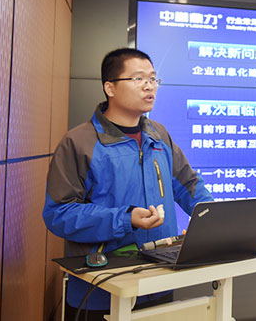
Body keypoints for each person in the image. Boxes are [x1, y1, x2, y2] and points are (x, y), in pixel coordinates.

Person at [43, 48, 213, 319]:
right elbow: (59, 214)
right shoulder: (79, 142)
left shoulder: (159, 135)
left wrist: (213, 219)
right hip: (101, 285)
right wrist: (125, 219)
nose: (149, 86)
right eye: (138, 78)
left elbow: (188, 184)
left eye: (153, 79)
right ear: (109, 87)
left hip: (160, 278)